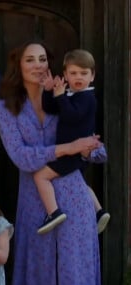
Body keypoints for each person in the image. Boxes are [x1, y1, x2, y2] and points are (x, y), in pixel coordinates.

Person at [0, 41, 106, 285]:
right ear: (18, 66)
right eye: (30, 60)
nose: (38, 65)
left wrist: (91, 150)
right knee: (39, 269)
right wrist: (69, 147)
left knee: (75, 270)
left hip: (75, 197)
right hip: (35, 202)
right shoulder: (6, 108)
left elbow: (95, 147)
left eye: (42, 59)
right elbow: (22, 157)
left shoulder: (67, 98)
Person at [33, 49, 110, 234]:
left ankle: (54, 212)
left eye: (84, 73)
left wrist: (60, 96)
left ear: (92, 76)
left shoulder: (87, 98)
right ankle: (99, 212)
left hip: (74, 152)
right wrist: (49, 89)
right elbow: (49, 107)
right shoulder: (70, 94)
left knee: (40, 176)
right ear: (65, 75)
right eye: (73, 73)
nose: (78, 77)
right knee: (80, 183)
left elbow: (71, 116)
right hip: (73, 152)